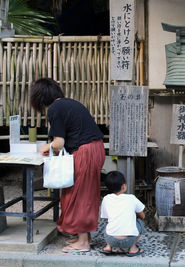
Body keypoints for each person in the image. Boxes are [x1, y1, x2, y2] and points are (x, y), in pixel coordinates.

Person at [30, 77, 105, 253]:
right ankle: (82, 236)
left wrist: (45, 147)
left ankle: (83, 242)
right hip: (95, 149)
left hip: (84, 152)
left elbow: (59, 143)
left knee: (78, 196)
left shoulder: (55, 109)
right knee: (84, 193)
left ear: (39, 97)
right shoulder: (69, 103)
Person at [100, 171, 145, 256]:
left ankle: (108, 247)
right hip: (129, 240)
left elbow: (105, 217)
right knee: (140, 222)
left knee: (109, 223)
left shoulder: (106, 199)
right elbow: (142, 215)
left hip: (110, 239)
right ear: (123, 186)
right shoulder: (131, 198)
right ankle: (133, 248)